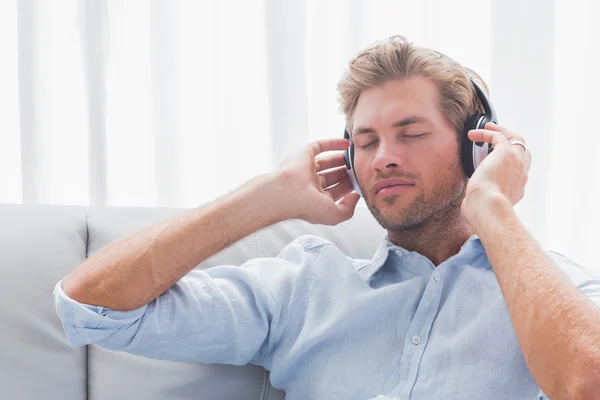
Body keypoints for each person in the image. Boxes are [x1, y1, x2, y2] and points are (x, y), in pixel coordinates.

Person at [54, 35, 600, 400]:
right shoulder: (303, 288)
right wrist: (268, 197)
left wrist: (492, 206)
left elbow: (587, 380)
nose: (384, 155)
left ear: (475, 148)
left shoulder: (560, 292)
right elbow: (89, 307)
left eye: (410, 134)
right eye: (365, 142)